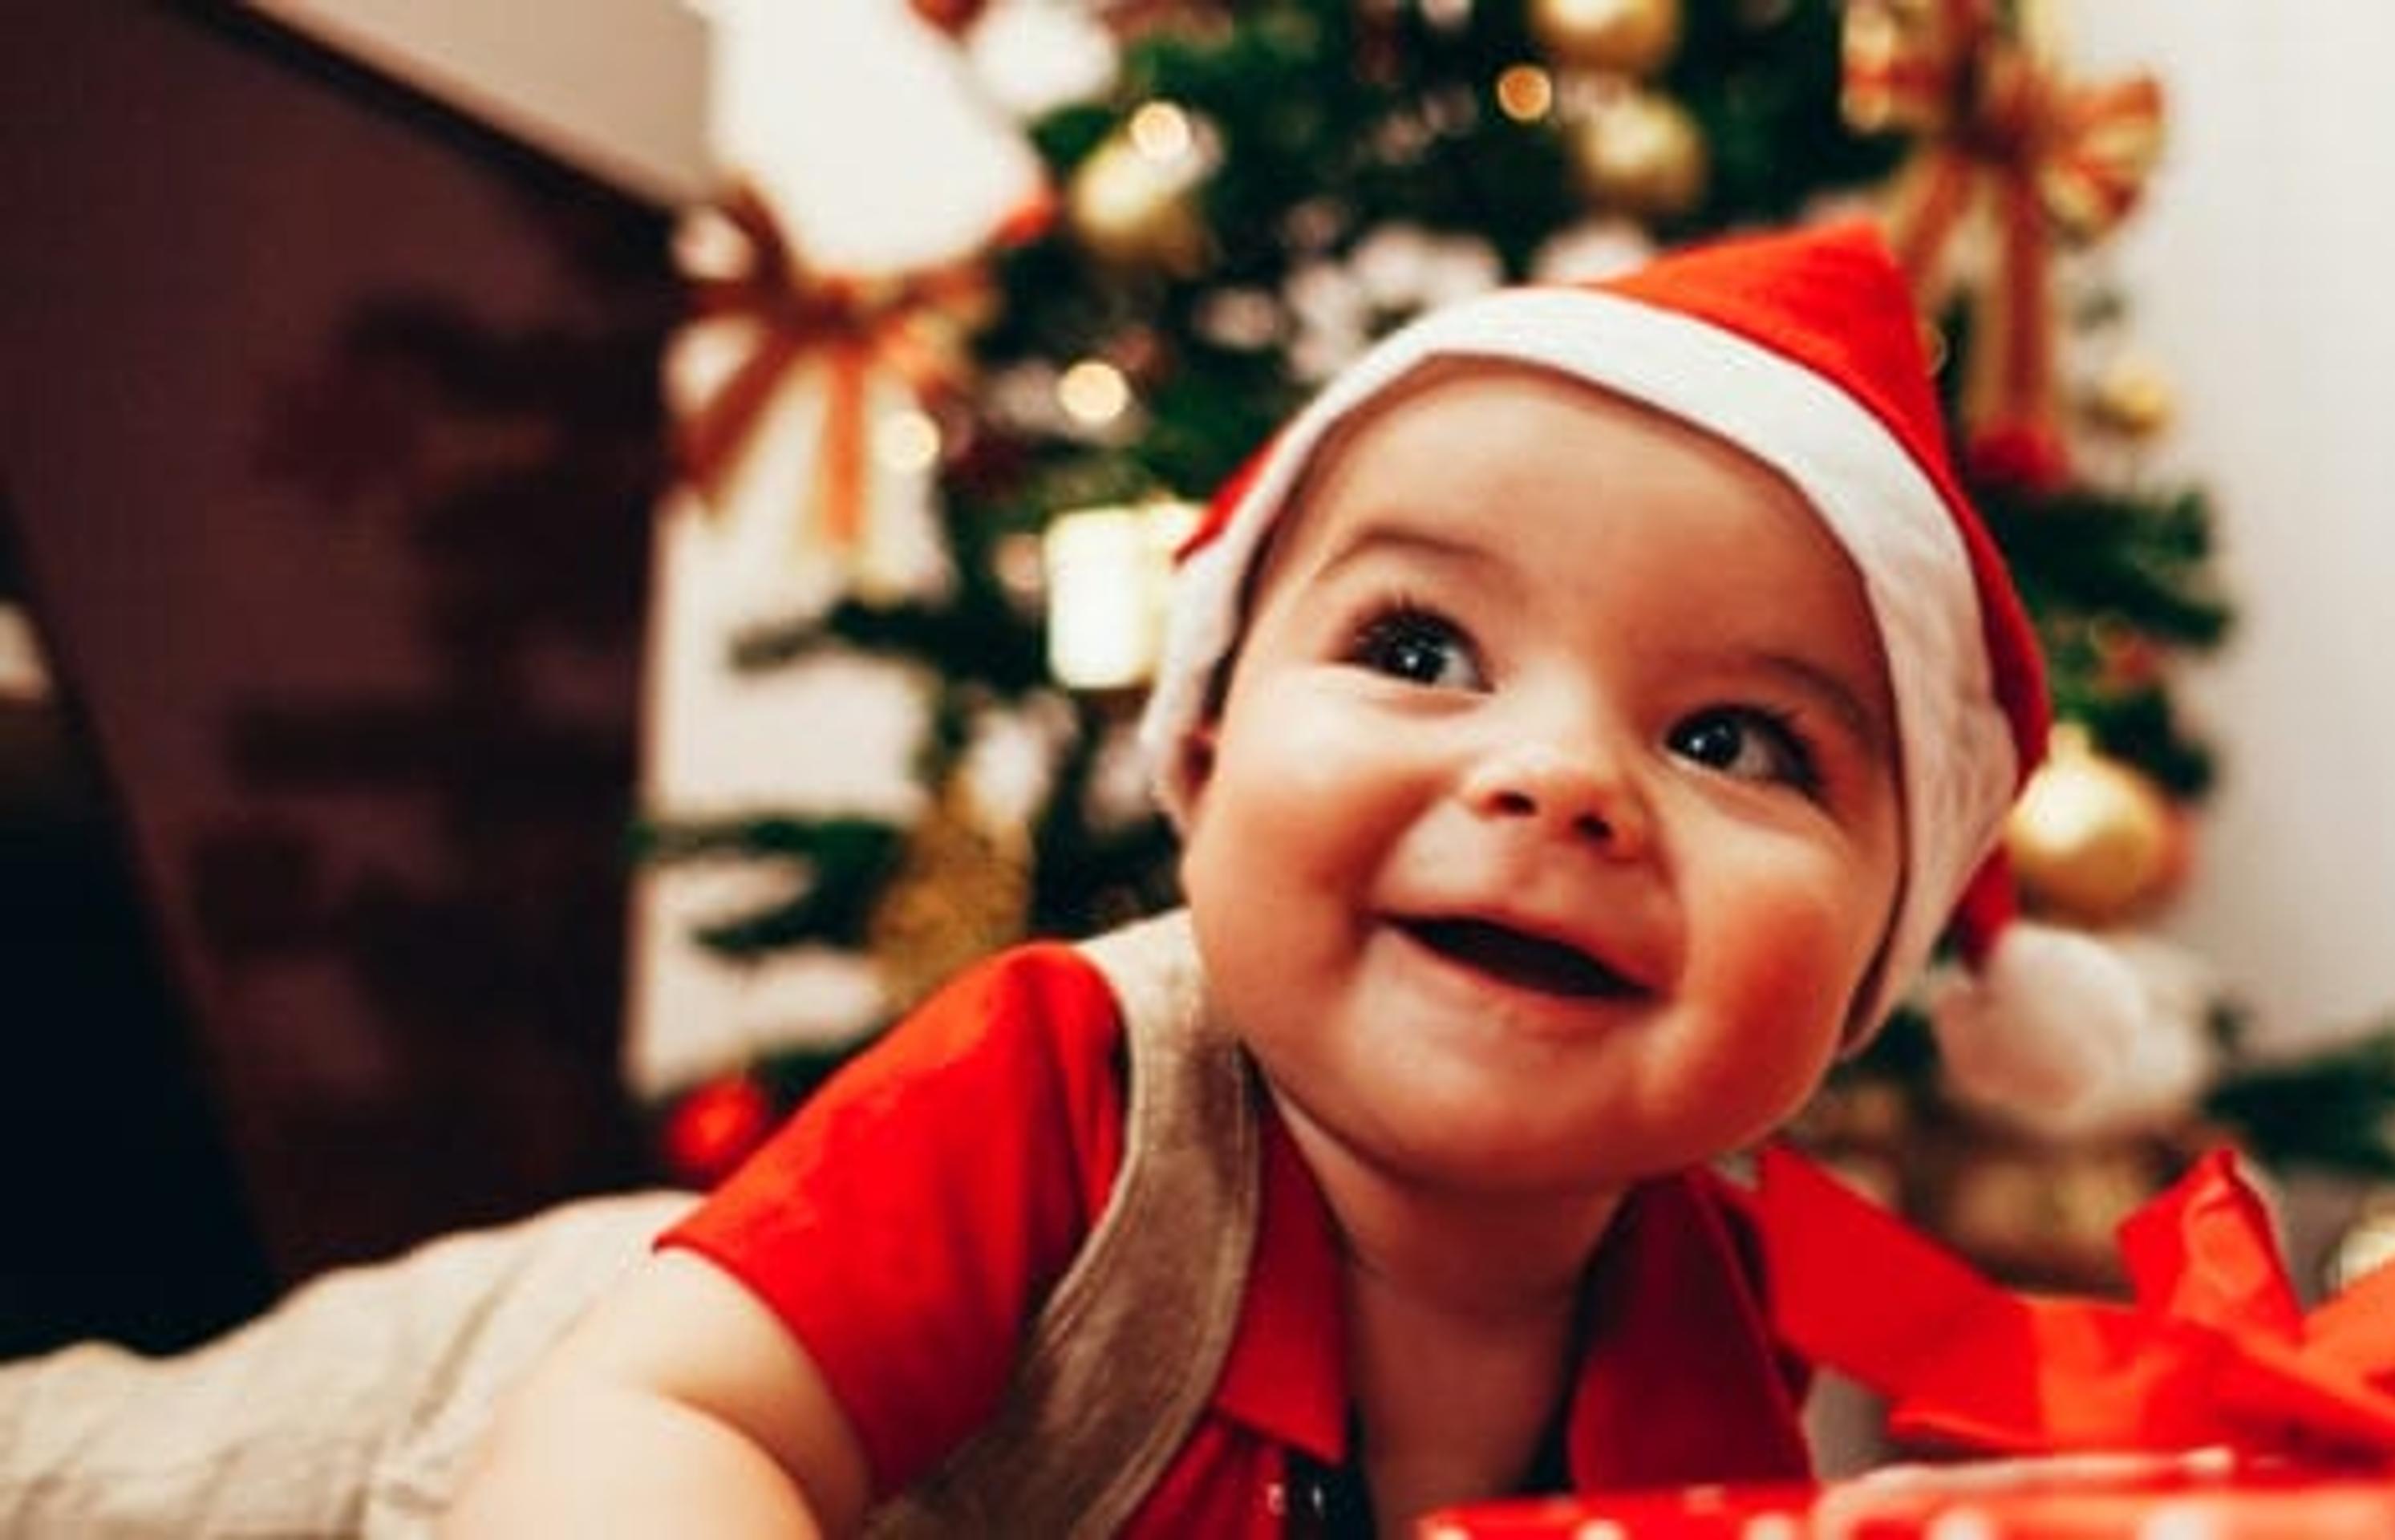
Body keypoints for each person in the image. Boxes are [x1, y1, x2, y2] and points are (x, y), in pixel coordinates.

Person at [443, 220, 2057, 1538]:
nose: (1565, 782)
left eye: (1736, 742)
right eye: (1419, 649)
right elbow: (653, 1416)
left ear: (1873, 972)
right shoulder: (1058, 1089)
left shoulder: (1716, 1328)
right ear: (1200, 770)